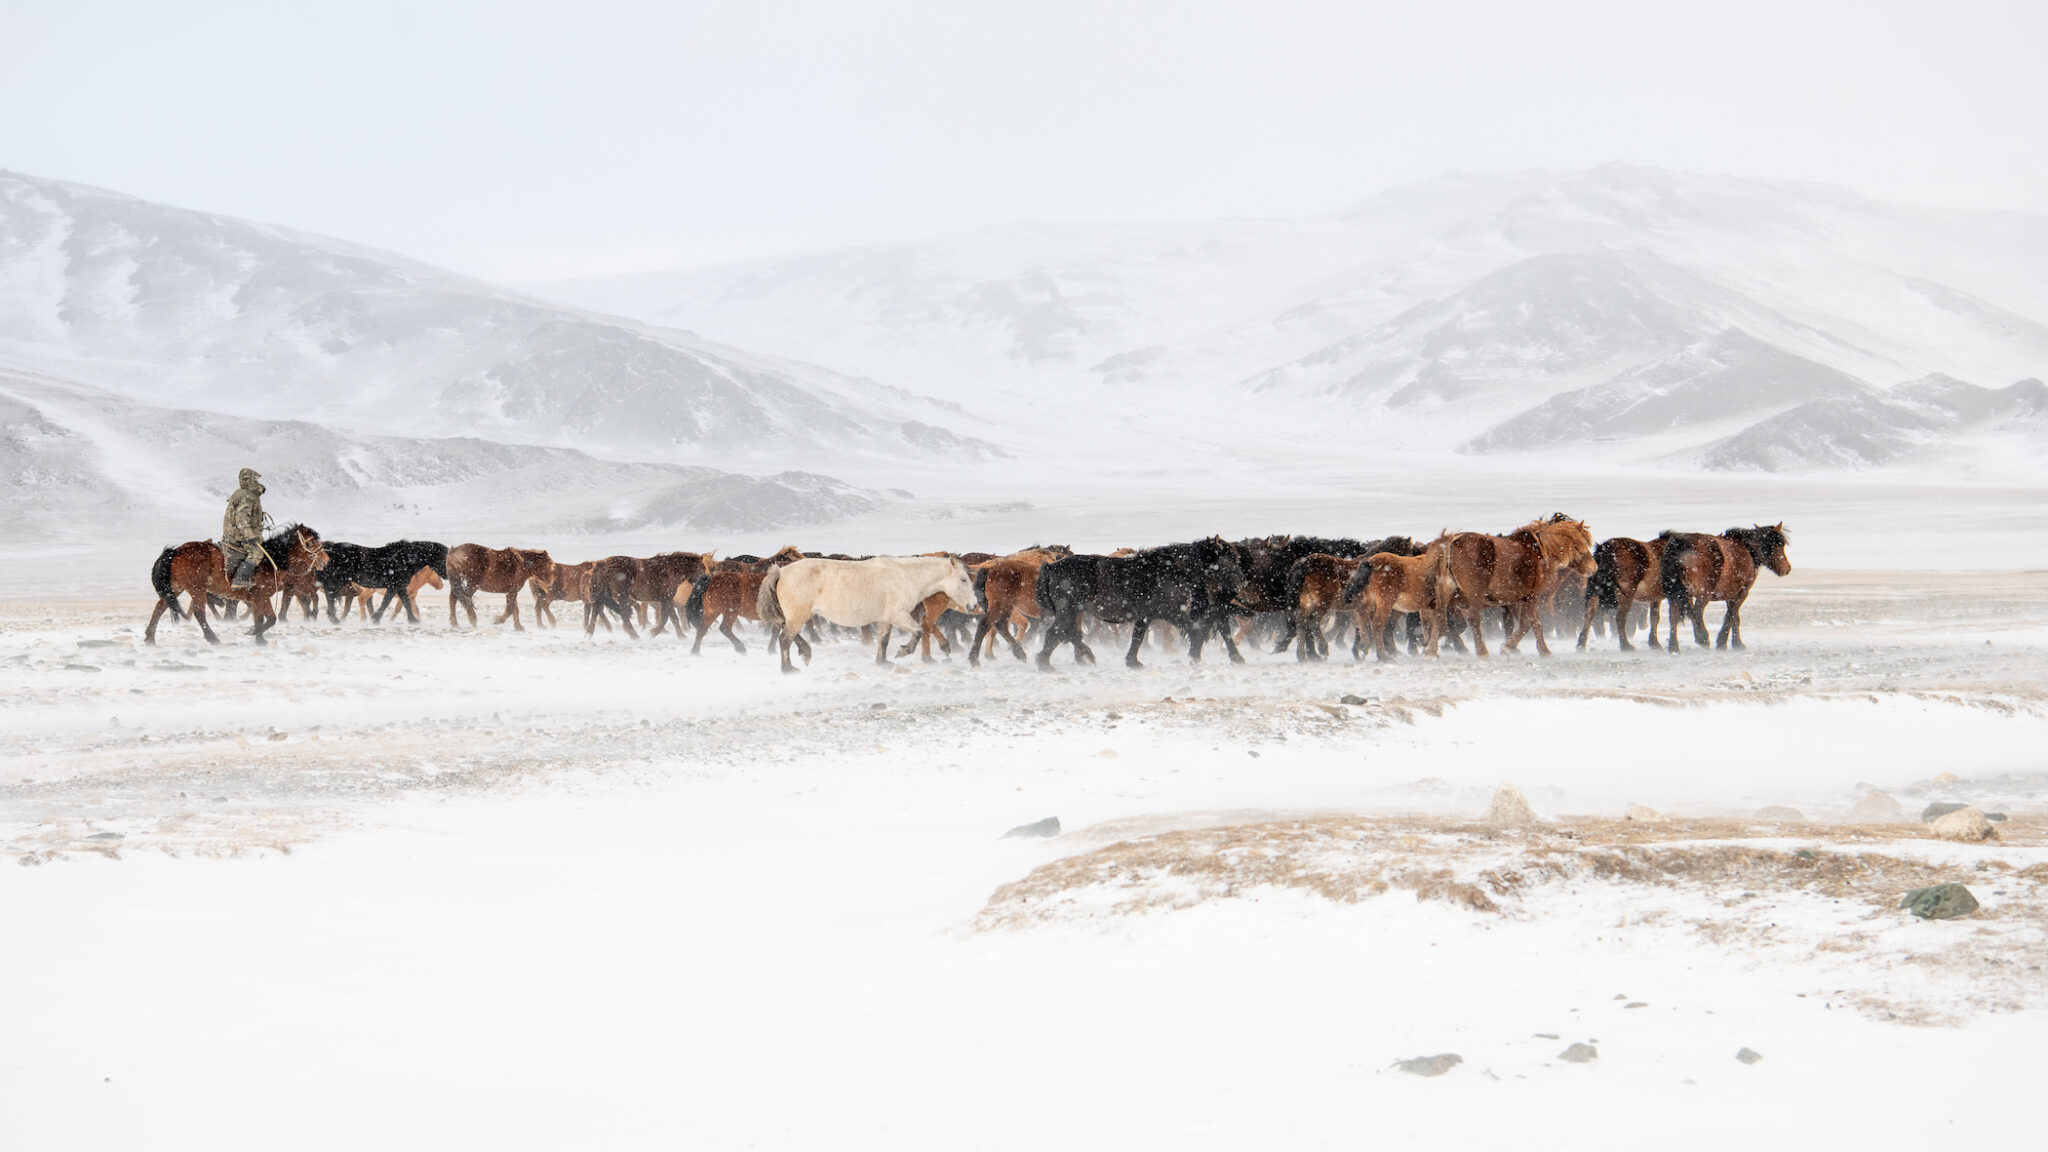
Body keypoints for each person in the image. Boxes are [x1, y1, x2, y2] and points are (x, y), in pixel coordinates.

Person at [220, 467, 270, 588]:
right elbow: (241, 518)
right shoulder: (248, 496)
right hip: (239, 536)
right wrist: (250, 536)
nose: (257, 482)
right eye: (255, 479)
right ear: (250, 480)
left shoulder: (242, 494)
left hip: (232, 534)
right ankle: (240, 580)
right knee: (257, 553)